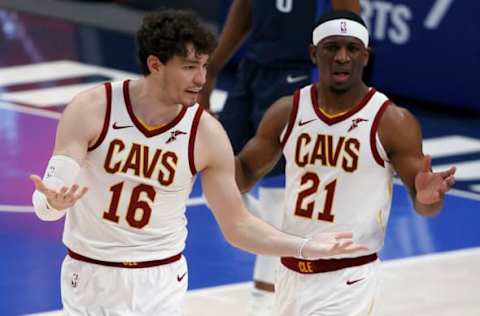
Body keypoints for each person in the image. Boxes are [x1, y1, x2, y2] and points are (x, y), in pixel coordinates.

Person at [29, 9, 367, 316]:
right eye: (190, 67)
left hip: (159, 278)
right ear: (155, 64)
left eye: (205, 66)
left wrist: (304, 246)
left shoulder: (206, 133)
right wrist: (52, 203)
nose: (201, 79)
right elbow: (49, 199)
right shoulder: (92, 107)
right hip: (88, 272)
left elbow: (238, 226)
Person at [234, 10, 456, 316]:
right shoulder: (288, 110)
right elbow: (243, 175)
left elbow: (425, 207)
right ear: (314, 53)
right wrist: (209, 153)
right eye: (332, 47)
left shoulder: (391, 121)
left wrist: (429, 198)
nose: (342, 57)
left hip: (348, 277)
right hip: (289, 271)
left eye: (352, 49)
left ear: (365, 56)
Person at [198, 1, 361, 314]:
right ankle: (296, 241)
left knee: (275, 200)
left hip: (297, 75)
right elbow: (245, 8)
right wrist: (214, 66)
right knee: (214, 180)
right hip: (253, 70)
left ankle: (264, 302)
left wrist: (338, 95)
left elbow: (351, 29)